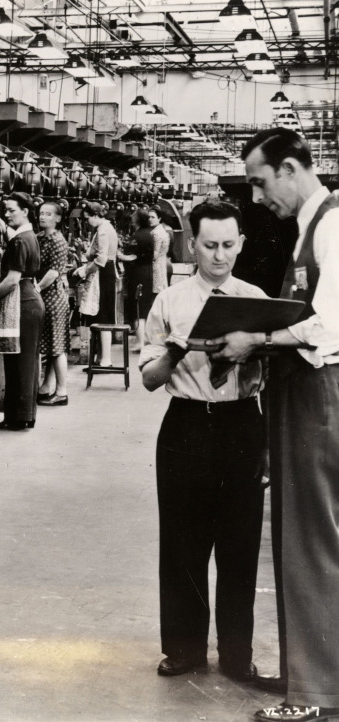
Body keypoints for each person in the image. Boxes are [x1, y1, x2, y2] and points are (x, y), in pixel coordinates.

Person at [210, 128, 339, 722]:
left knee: (310, 541)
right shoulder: (308, 229)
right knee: (302, 534)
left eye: (260, 182)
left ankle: (314, 695)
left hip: (319, 397)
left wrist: (258, 338)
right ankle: (311, 672)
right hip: (302, 396)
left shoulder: (333, 225)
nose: (258, 198)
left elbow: (330, 327)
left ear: (290, 168)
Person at [140, 199, 267, 686]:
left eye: (228, 246)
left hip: (241, 426)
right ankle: (185, 648)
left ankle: (237, 654)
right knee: (182, 542)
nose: (219, 256)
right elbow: (151, 379)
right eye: (209, 245)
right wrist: (176, 348)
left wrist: (253, 349)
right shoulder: (169, 301)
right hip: (187, 424)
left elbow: (269, 376)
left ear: (241, 244)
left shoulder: (255, 298)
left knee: (240, 543)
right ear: (191, 244)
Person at [0, 192, 43, 430]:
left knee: (18, 363)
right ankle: (24, 415)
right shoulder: (29, 236)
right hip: (31, 300)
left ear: (25, 211)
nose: (6, 214)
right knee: (26, 361)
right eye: (5, 211)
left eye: (11, 210)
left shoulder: (19, 241)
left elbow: (12, 280)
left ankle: (17, 418)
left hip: (22, 303)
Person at [35, 201, 70, 406]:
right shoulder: (39, 238)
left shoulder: (58, 240)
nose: (43, 217)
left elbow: (54, 272)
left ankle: (62, 392)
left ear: (57, 218)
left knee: (56, 347)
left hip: (54, 297)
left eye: (48, 214)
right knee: (49, 345)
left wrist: (37, 288)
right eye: (41, 213)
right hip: (43, 296)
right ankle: (47, 387)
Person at [75, 201, 118, 366]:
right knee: (102, 315)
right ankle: (101, 358)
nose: (87, 223)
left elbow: (101, 260)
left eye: (88, 219)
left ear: (95, 215)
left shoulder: (103, 231)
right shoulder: (106, 228)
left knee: (103, 315)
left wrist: (83, 271)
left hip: (103, 274)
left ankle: (105, 359)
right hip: (106, 273)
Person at [124, 208, 156, 349]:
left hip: (138, 275)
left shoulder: (139, 236)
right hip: (145, 274)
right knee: (142, 308)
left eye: (134, 214)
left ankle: (141, 343)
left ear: (138, 219)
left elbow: (133, 256)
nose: (131, 216)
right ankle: (141, 342)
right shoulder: (146, 234)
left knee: (138, 307)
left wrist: (120, 255)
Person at [148, 205, 171, 297]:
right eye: (148, 217)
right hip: (162, 264)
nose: (150, 219)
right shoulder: (162, 230)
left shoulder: (156, 234)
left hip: (155, 268)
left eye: (153, 217)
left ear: (159, 218)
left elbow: (155, 255)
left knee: (156, 293)